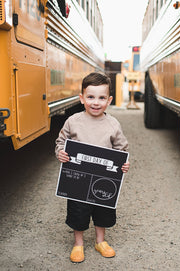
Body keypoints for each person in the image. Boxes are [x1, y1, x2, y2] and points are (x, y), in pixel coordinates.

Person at [55, 72, 130, 263]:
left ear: (109, 100)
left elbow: (121, 149)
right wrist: (60, 153)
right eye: (90, 97)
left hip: (102, 180)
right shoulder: (73, 121)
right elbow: (61, 141)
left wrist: (124, 163)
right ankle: (78, 243)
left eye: (102, 98)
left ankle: (100, 241)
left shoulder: (113, 124)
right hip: (78, 180)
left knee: (102, 209)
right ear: (81, 98)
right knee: (78, 211)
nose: (96, 102)